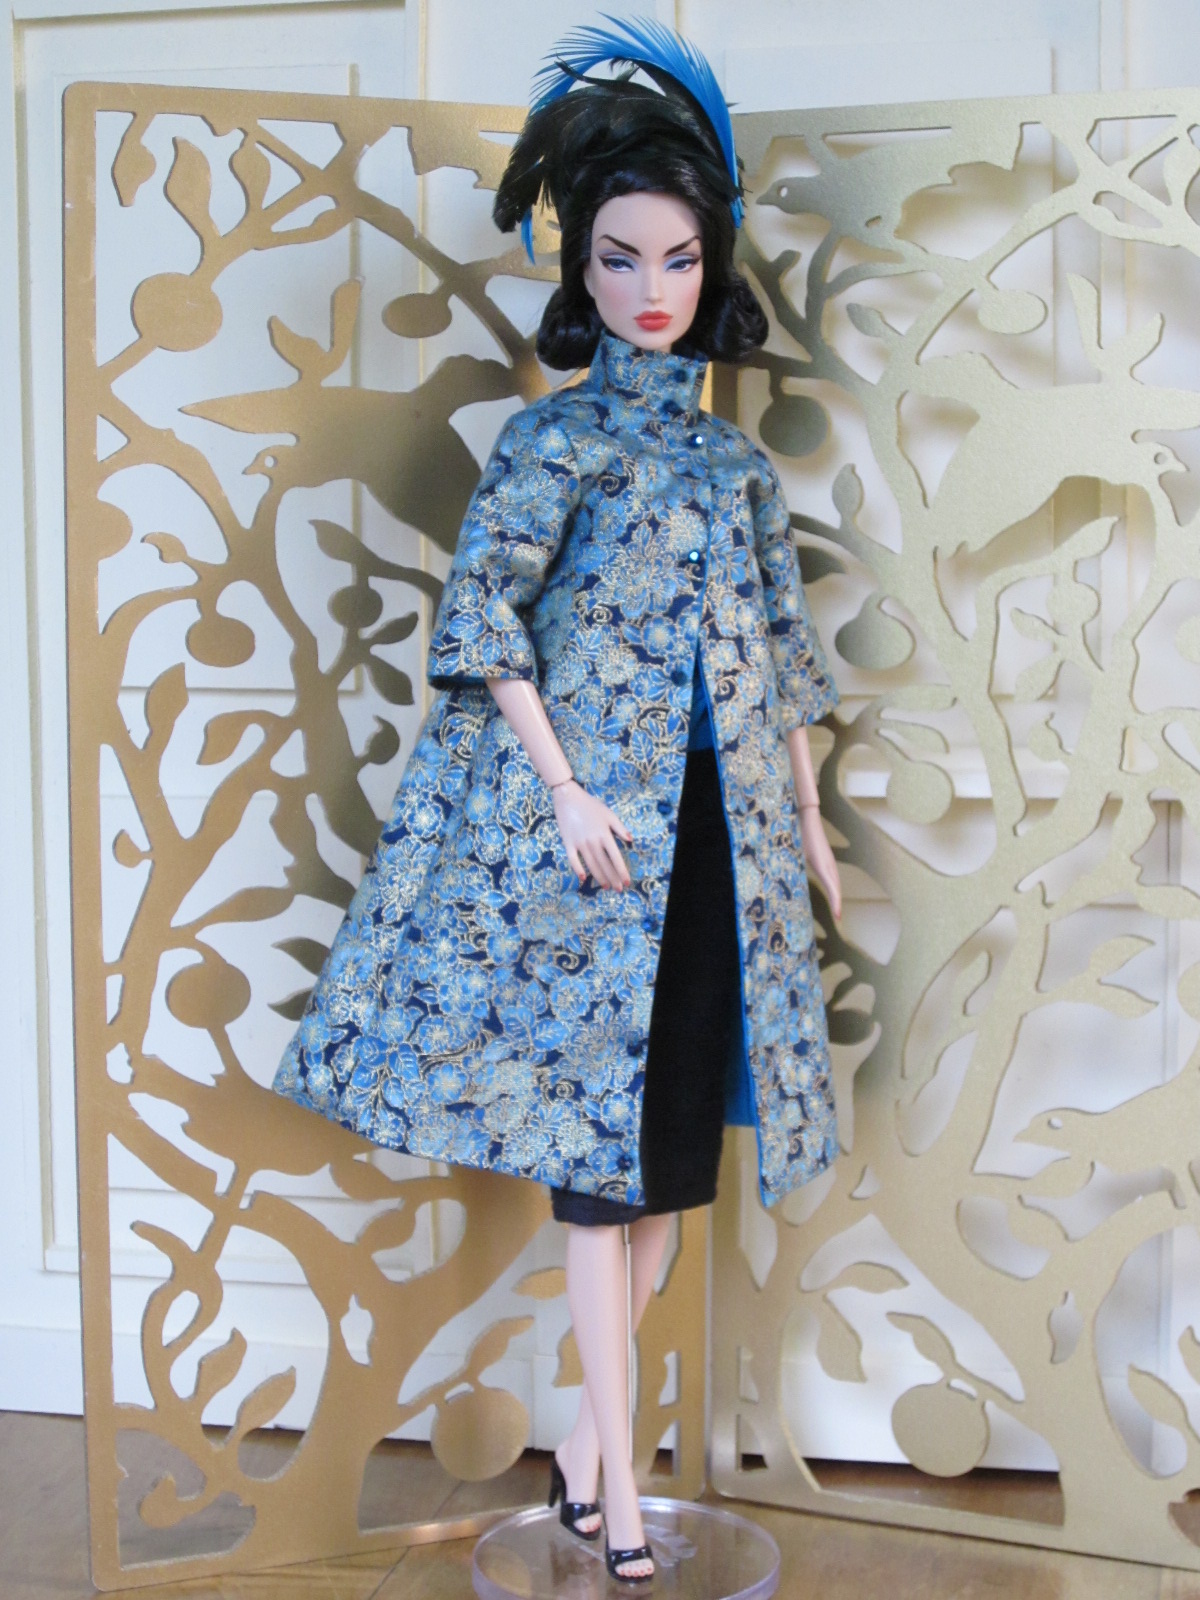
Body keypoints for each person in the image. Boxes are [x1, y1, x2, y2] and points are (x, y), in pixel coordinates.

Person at [272, 16, 842, 1583]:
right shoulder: (553, 439)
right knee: (600, 1171)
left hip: (719, 845)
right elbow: (484, 625)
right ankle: (625, 1495)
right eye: (619, 259)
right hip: (589, 854)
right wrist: (569, 790)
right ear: (580, 272)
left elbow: (784, 650)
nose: (651, 289)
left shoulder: (732, 469)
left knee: (669, 1164)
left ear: (712, 268)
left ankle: (589, 1454)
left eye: (678, 259)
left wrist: (805, 819)